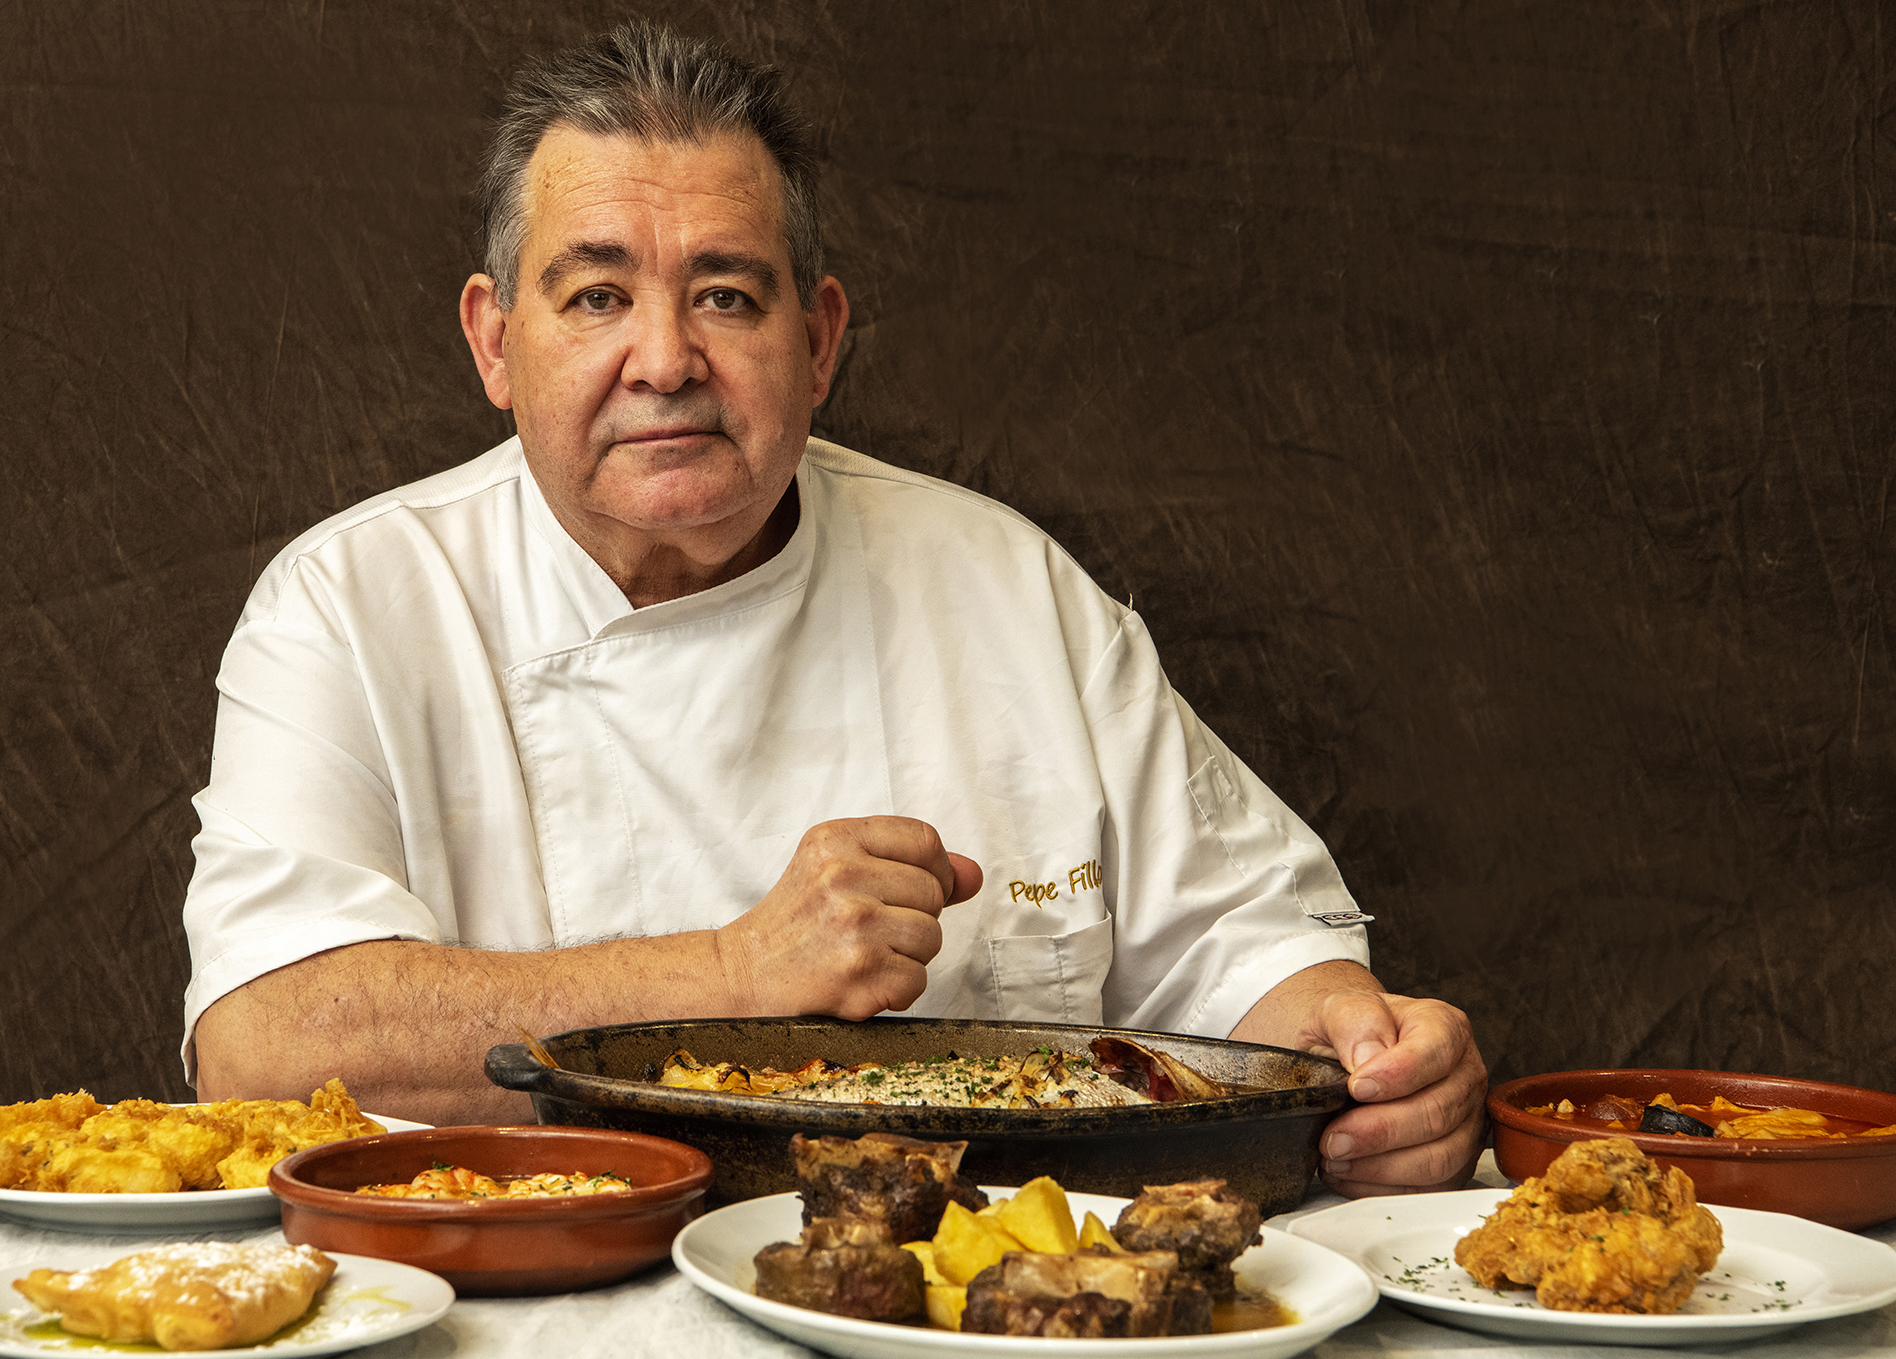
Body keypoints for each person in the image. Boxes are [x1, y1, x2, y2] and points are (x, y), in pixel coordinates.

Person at [184, 23, 1485, 1195]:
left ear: (818, 340)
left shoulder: (1008, 588)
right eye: (597, 297)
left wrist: (1366, 1049)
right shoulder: (352, 605)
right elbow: (261, 1046)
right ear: (493, 342)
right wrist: (731, 976)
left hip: (975, 1311)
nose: (665, 360)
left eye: (726, 294)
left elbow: (1245, 947)